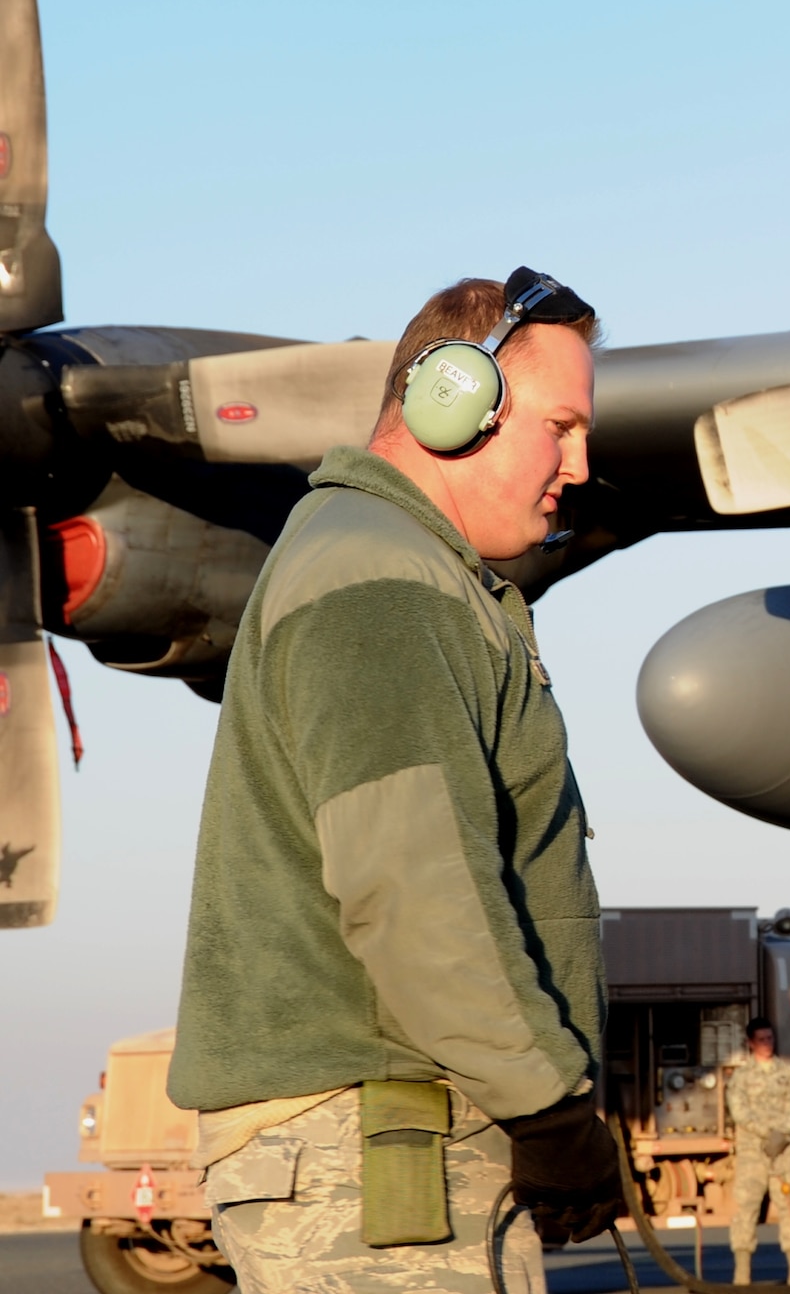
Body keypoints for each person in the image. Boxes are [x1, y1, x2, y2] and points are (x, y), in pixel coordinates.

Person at [165, 268, 622, 1294]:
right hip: (372, 1146)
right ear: (450, 399)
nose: (579, 466)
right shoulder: (381, 581)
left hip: (390, 1139)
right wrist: (550, 1106)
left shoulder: (398, 569)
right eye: (561, 425)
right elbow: (416, 888)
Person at [726, 1017, 790, 1286]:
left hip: (783, 1152)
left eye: (770, 1038)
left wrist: (782, 1135)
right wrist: (766, 1133)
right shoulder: (741, 1077)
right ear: (751, 1043)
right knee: (746, 1208)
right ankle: (742, 1274)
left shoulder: (788, 1074)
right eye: (761, 1039)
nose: (767, 1044)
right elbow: (739, 1111)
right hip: (753, 1153)